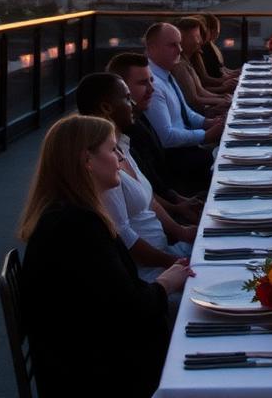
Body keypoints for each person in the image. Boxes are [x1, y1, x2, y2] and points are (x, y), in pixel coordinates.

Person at [18, 114, 191, 398]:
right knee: (200, 316)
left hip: (87, 355)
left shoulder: (68, 215)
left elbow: (114, 297)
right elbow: (130, 308)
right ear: (87, 160)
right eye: (113, 150)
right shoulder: (77, 227)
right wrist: (166, 283)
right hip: (100, 372)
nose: (121, 159)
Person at [73, 73, 196, 280]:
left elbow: (150, 201)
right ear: (106, 107)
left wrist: (181, 231)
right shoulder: (102, 167)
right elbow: (124, 239)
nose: (133, 104)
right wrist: (174, 263)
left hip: (166, 255)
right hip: (149, 275)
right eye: (126, 98)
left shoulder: (121, 146)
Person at [107, 51, 202, 223]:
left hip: (173, 195)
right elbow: (146, 192)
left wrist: (178, 200)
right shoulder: (120, 136)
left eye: (151, 80)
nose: (152, 89)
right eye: (143, 83)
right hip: (167, 210)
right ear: (122, 89)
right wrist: (177, 207)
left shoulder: (139, 118)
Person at [142, 22, 223, 192]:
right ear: (152, 48)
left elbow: (186, 113)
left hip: (188, 148)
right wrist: (206, 135)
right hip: (176, 158)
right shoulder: (153, 84)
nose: (180, 49)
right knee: (226, 161)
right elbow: (167, 137)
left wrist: (209, 122)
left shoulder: (165, 73)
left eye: (179, 43)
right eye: (173, 45)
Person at [172, 16, 232, 114]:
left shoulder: (189, 60)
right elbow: (193, 100)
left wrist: (223, 97)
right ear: (181, 38)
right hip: (200, 114)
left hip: (204, 111)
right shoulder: (179, 66)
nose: (200, 41)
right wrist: (223, 98)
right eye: (196, 37)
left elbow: (201, 91)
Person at [197, 12, 240, 85]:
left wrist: (235, 73)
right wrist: (227, 82)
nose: (218, 33)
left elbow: (221, 68)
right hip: (216, 86)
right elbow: (206, 80)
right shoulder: (201, 49)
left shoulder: (210, 45)